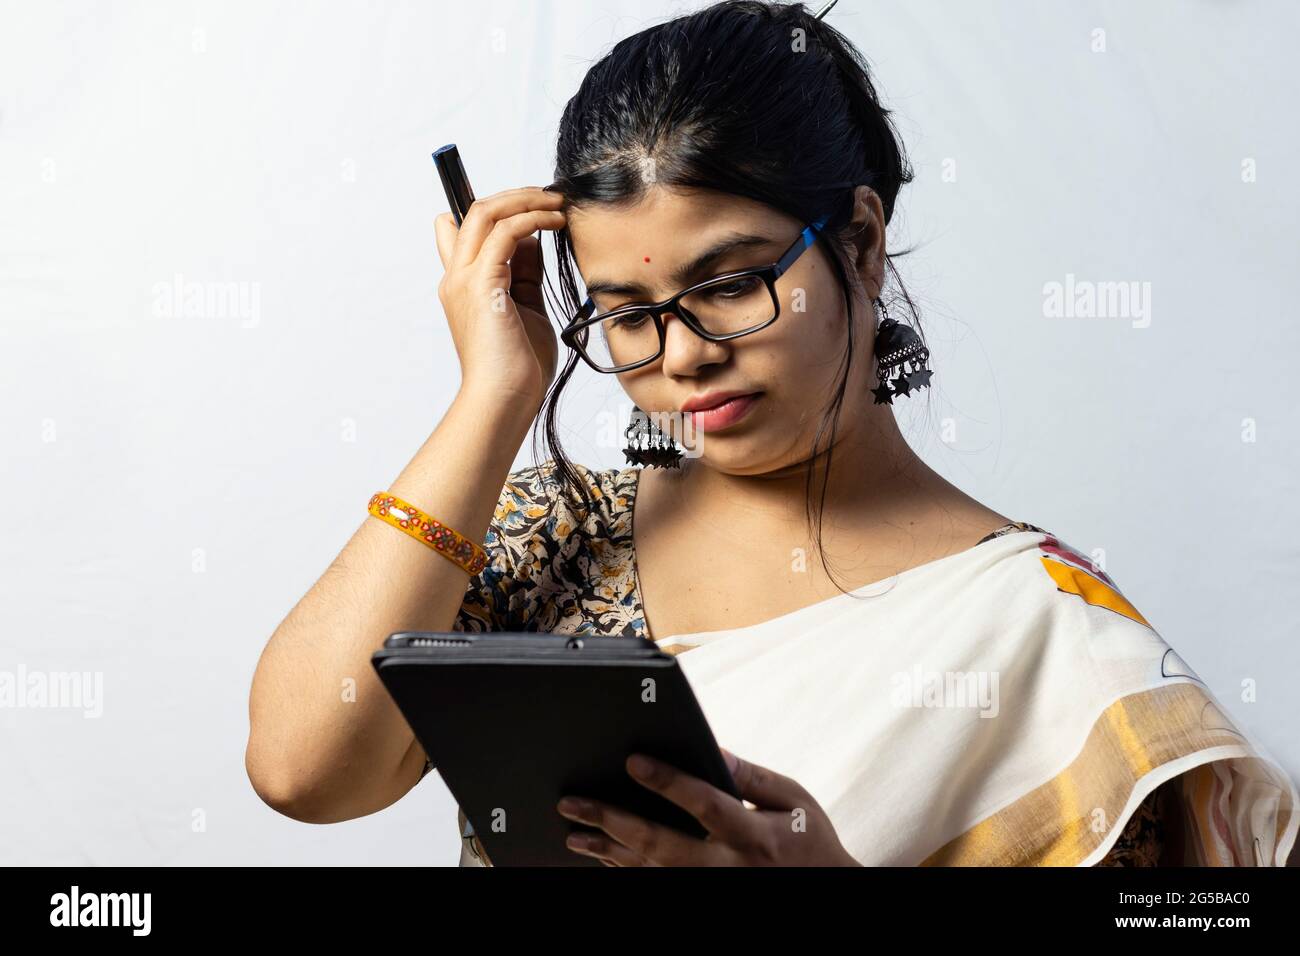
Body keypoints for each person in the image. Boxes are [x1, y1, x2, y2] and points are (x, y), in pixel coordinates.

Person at [246, 0, 1297, 867]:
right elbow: (302, 770)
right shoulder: (549, 535)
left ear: (861, 239)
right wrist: (493, 397)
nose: (684, 352)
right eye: (625, 312)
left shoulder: (1041, 632)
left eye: (733, 282)